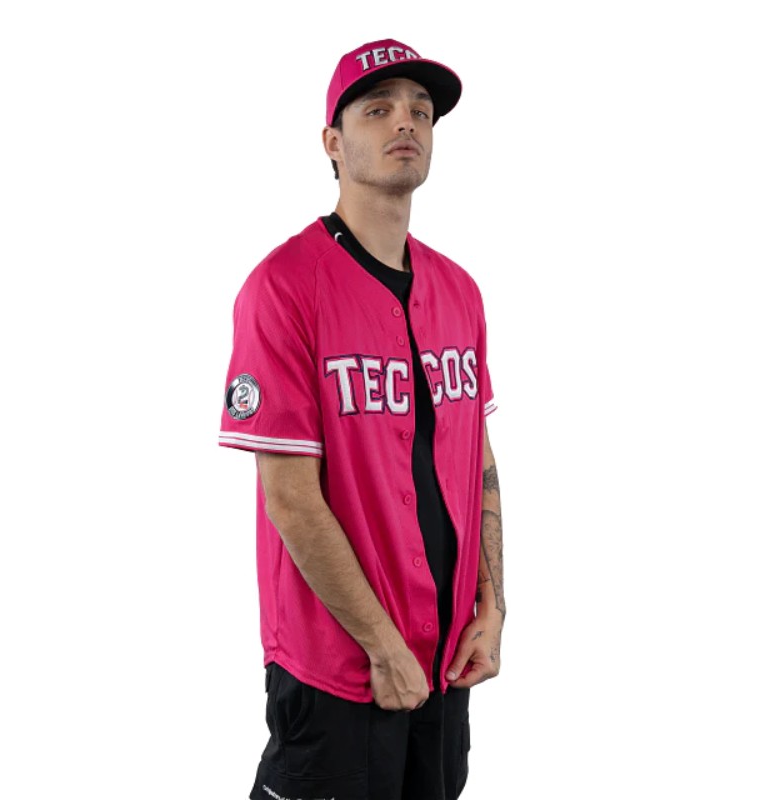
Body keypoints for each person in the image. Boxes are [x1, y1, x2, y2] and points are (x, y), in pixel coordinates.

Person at [219, 38, 505, 800]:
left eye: (421, 111)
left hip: (443, 664)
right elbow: (290, 497)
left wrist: (493, 605)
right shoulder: (282, 287)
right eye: (378, 110)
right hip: (339, 672)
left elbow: (476, 455)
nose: (405, 122)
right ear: (333, 143)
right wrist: (381, 645)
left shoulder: (461, 292)